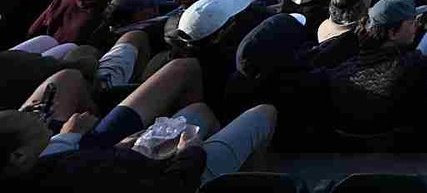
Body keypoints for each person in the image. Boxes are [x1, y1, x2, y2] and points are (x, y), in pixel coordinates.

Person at [0, 56, 277, 193]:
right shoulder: (75, 173)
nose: (35, 114)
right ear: (19, 156)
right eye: (25, 116)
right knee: (264, 113)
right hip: (177, 174)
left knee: (198, 112)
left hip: (120, 156)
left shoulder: (43, 166)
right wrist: (190, 152)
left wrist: (71, 139)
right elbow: (171, 185)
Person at [324, 0, 427, 135]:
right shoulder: (412, 67)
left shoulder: (343, 68)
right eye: (412, 22)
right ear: (392, 33)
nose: (417, 26)